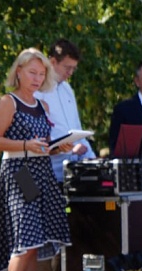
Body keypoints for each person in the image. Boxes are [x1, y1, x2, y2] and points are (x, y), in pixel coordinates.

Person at [0, 48, 73, 271]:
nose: (37, 79)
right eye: (32, 73)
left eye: (42, 74)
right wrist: (25, 145)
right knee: (26, 239)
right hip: (20, 173)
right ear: (19, 72)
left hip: (42, 173)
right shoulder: (8, 102)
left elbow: (40, 145)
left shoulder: (43, 106)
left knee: (35, 243)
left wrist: (58, 147)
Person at [34, 39, 96, 181]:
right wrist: (68, 148)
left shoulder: (68, 90)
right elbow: (37, 138)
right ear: (52, 62)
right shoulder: (36, 91)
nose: (70, 72)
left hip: (69, 172)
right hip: (44, 174)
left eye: (74, 68)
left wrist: (92, 158)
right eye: (67, 67)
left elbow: (76, 129)